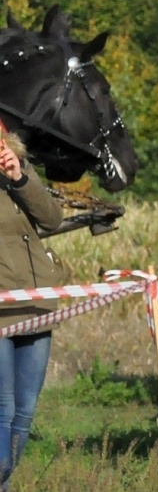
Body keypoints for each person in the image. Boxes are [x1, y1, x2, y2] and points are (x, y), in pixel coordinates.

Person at [0, 124, 63, 490]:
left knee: (24, 414)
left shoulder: (16, 165)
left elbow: (52, 220)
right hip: (2, 309)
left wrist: (20, 177)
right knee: (3, 409)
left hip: (37, 303)